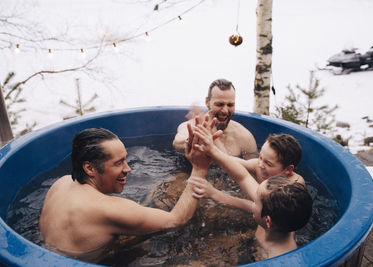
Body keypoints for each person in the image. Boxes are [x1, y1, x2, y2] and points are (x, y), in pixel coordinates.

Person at [39, 127, 210, 263]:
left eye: (125, 160)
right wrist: (200, 168)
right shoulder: (108, 209)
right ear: (89, 168)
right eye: (118, 163)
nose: (128, 169)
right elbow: (177, 219)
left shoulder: (60, 184)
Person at [188, 123, 312, 259]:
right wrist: (211, 152)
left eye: (268, 163)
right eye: (260, 157)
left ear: (288, 169)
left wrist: (216, 195)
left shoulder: (277, 257)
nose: (259, 165)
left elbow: (248, 189)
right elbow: (243, 176)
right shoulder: (274, 208)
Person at [173, 78, 258, 159]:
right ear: (207, 102)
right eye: (219, 104)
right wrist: (194, 139)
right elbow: (177, 143)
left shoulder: (244, 137)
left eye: (230, 105)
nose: (225, 111)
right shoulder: (191, 126)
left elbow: (254, 170)